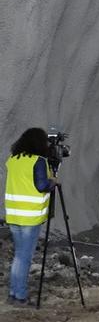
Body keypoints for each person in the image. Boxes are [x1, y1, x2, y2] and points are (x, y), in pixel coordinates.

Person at [4, 128, 57, 306]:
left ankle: (13, 293)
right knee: (24, 257)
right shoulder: (38, 161)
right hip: (30, 217)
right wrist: (53, 182)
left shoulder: (13, 160)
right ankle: (19, 296)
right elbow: (42, 185)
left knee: (18, 256)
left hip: (14, 215)